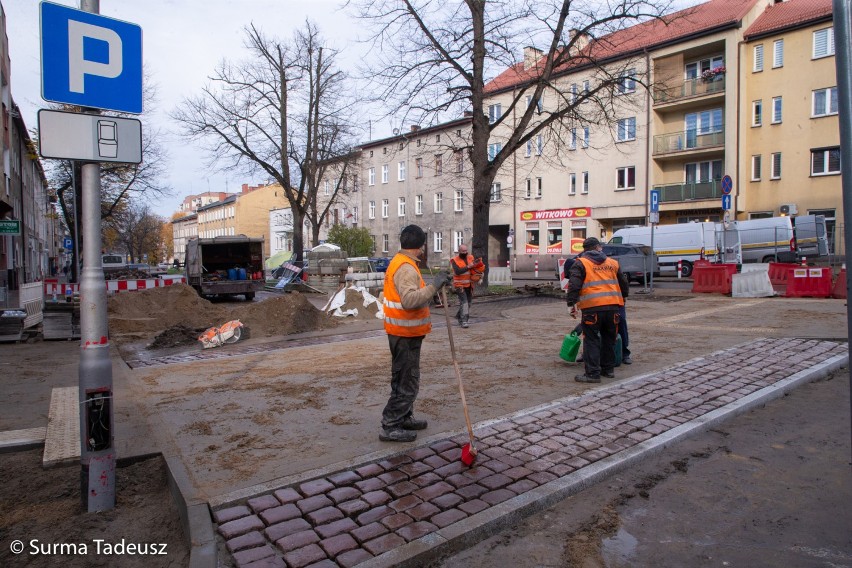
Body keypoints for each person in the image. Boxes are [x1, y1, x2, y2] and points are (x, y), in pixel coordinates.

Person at [380, 224, 452, 442]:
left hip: (404, 332)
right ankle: (391, 424)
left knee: (404, 378)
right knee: (407, 381)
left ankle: (404, 416)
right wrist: (435, 286)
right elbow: (410, 300)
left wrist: (434, 286)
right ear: (420, 246)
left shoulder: (402, 262)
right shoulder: (407, 268)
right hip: (404, 334)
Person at [565, 237, 629, 383]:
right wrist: (623, 297)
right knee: (609, 339)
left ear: (585, 249)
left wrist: (571, 305)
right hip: (613, 307)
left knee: (591, 340)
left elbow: (574, 285)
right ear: (598, 247)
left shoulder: (581, 263)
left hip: (592, 308)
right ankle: (608, 370)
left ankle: (593, 374)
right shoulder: (613, 263)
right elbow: (623, 283)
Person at [449, 244, 484, 328]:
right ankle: (464, 321)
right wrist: (469, 266)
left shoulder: (470, 257)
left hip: (469, 285)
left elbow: (475, 268)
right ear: (459, 251)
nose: (465, 252)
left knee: (468, 303)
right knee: (464, 303)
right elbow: (457, 271)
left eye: (466, 251)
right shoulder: (454, 260)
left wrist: (480, 275)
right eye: (463, 251)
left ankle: (459, 316)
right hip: (459, 285)